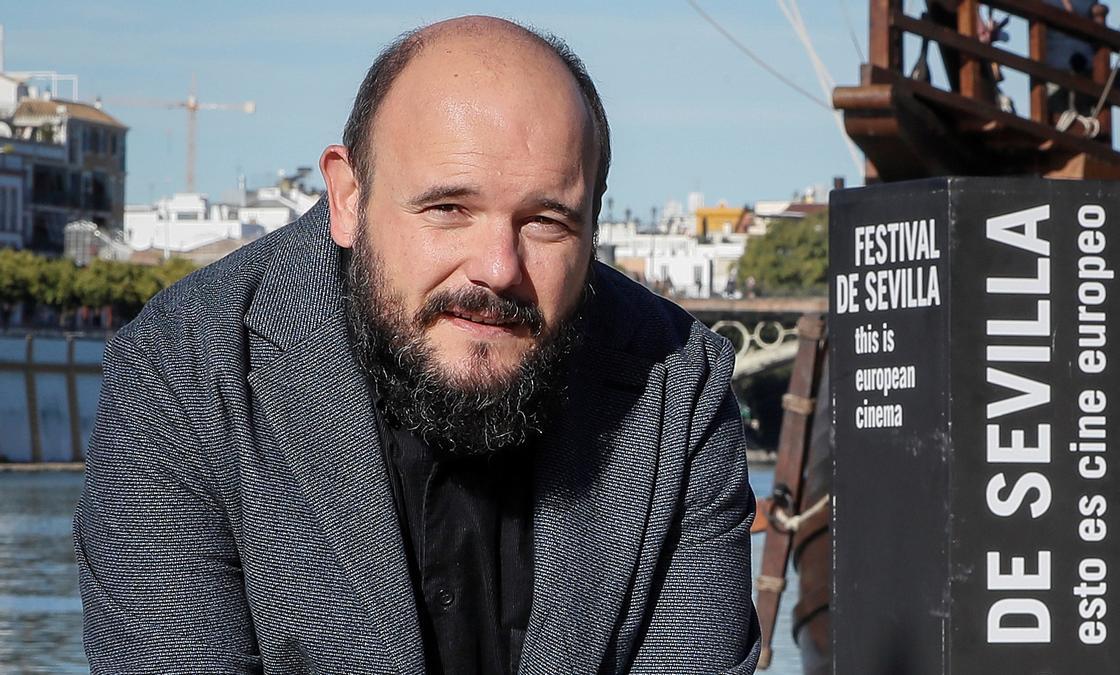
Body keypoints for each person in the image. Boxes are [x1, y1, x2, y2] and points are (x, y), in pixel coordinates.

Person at [73, 15, 760, 674]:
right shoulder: (183, 373)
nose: (497, 266)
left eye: (547, 221)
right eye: (447, 208)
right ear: (347, 197)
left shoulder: (678, 389)